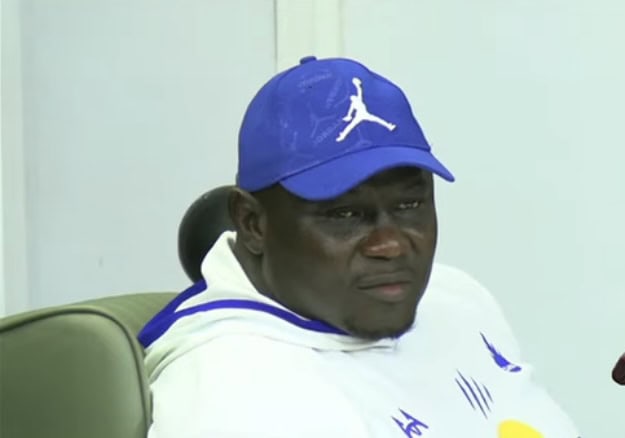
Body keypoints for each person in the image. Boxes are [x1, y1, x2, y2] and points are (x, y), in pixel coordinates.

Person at [139, 56, 580, 437]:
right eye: (345, 214)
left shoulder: (456, 297)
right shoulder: (238, 393)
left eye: (409, 205)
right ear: (253, 223)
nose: (391, 245)